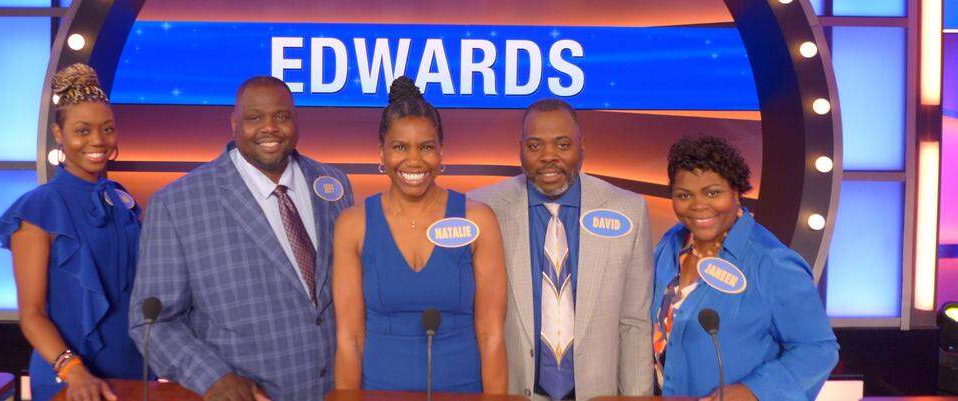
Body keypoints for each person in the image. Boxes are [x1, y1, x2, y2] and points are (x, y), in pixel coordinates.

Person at [130, 76, 354, 401]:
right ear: (234, 123)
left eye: (281, 116)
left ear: (295, 120)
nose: (270, 128)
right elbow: (152, 322)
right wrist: (212, 379)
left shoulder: (334, 184)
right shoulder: (177, 203)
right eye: (254, 118)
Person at [333, 76, 508, 393]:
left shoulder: (478, 220)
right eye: (400, 147)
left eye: (426, 147)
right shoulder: (353, 224)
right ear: (382, 153)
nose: (414, 160)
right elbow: (349, 338)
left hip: (463, 392)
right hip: (379, 393)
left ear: (442, 152)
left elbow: (491, 335)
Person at [471, 99, 654, 401]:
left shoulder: (628, 209)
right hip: (514, 393)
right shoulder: (482, 208)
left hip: (597, 394)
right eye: (534, 146)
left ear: (582, 147)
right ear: (520, 149)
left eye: (562, 144)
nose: (548, 156)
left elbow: (634, 323)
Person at [0, 64, 143, 401]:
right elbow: (31, 314)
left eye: (107, 129)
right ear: (58, 134)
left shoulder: (121, 200)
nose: (98, 141)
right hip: (70, 381)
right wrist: (75, 373)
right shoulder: (39, 207)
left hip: (132, 372)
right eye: (82, 130)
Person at [653, 135, 838, 401]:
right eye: (684, 195)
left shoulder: (773, 262)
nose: (698, 205)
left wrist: (755, 390)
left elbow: (818, 349)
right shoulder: (671, 242)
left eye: (712, 193)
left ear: (736, 191)